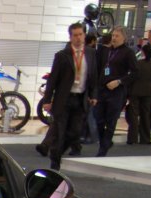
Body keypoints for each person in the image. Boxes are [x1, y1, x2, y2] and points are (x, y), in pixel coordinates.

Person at [41, 22, 98, 170]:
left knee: (75, 132)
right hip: (64, 100)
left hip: (80, 99)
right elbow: (53, 79)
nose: (78, 38)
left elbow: (93, 76)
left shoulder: (91, 54)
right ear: (70, 37)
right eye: (75, 35)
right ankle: (55, 161)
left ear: (84, 35)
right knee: (59, 132)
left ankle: (57, 153)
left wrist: (93, 95)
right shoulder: (62, 56)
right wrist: (47, 100)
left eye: (80, 34)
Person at [94, 25, 136, 156]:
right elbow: (100, 68)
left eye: (117, 36)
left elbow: (134, 73)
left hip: (116, 91)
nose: (114, 38)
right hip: (102, 89)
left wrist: (119, 82)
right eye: (113, 35)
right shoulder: (106, 51)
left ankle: (103, 149)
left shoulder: (128, 53)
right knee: (98, 119)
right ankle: (104, 142)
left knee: (111, 121)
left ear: (124, 38)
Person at [126, 44, 151, 144]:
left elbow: (132, 76)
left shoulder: (138, 63)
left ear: (142, 52)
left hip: (135, 91)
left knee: (134, 115)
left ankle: (133, 138)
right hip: (148, 91)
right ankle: (146, 138)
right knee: (146, 114)